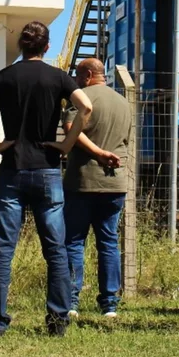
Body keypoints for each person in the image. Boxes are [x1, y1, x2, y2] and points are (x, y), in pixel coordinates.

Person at [0, 21, 93, 337]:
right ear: (47, 47)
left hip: (12, 170)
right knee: (56, 250)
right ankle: (57, 322)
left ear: (21, 46)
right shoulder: (58, 77)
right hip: (47, 170)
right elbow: (86, 107)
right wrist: (66, 144)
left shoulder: (5, 77)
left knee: (4, 248)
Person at [62, 57, 130, 319]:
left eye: (79, 76)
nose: (76, 81)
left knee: (74, 241)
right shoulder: (123, 102)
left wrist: (98, 153)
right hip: (115, 182)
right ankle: (110, 304)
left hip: (82, 181)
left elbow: (70, 129)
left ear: (88, 75)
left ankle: (71, 301)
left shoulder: (80, 98)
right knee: (109, 242)